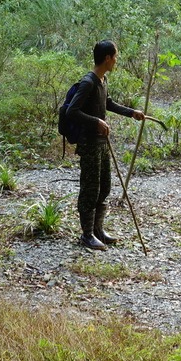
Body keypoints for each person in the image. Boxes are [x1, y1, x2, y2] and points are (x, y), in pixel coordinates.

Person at [66, 40, 145, 250]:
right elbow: (71, 111)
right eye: (115, 57)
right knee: (90, 190)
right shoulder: (88, 82)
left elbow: (107, 103)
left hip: (102, 143)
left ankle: (98, 230)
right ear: (108, 58)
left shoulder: (102, 80)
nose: (116, 61)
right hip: (89, 143)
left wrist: (131, 112)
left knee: (104, 187)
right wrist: (97, 122)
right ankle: (87, 235)